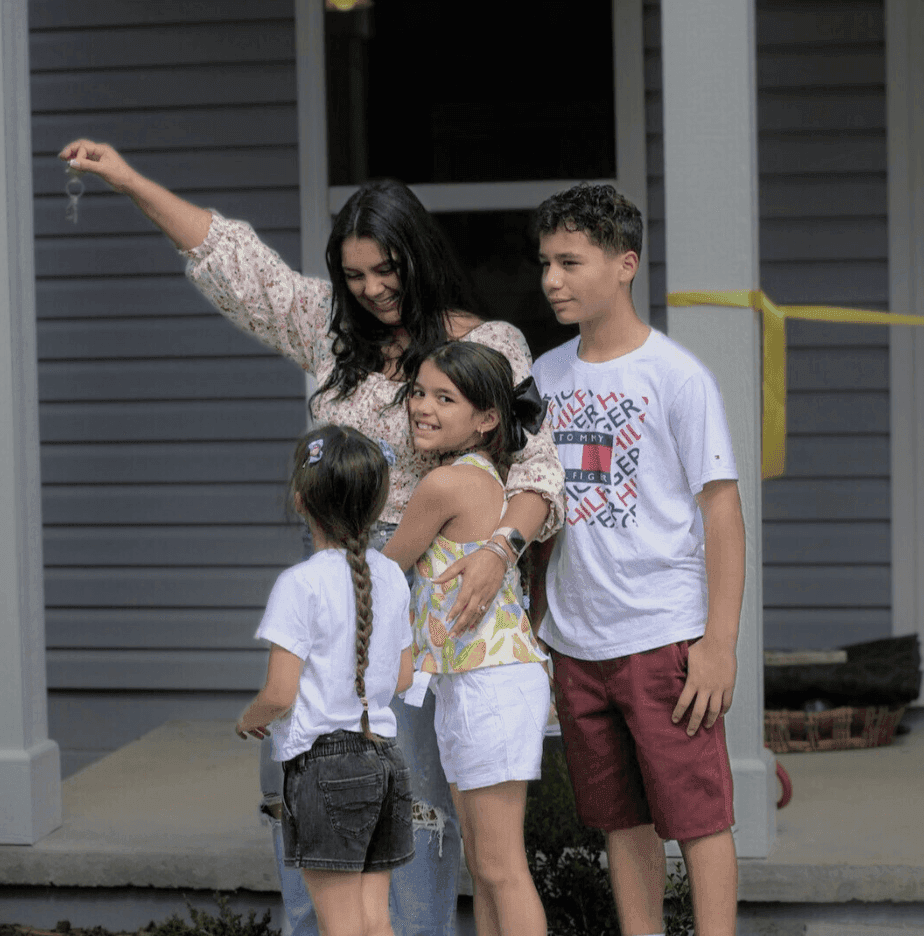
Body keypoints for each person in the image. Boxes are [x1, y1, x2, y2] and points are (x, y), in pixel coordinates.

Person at [59, 138, 565, 936]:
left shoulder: (486, 345)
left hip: (429, 586)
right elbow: (231, 258)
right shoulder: (330, 330)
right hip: (334, 574)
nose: (371, 290)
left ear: (419, 255)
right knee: (310, 785)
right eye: (355, 275)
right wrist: (125, 180)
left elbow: (537, 473)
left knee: (414, 797)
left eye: (385, 270)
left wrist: (500, 548)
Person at [528, 182, 744, 936]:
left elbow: (722, 511)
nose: (552, 278)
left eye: (570, 261)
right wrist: (535, 620)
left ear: (625, 264)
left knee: (699, 818)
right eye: (546, 262)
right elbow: (537, 505)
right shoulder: (545, 378)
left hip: (664, 639)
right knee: (621, 822)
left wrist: (717, 645)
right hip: (578, 642)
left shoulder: (675, 376)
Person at [379, 342, 552, 936]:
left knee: (500, 866)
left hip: (491, 683)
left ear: (486, 420)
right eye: (419, 393)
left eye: (443, 398)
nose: (423, 407)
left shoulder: (448, 485)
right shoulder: (475, 476)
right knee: (482, 863)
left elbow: (383, 569)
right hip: (469, 682)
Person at [236, 425, 417, 936]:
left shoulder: (300, 584)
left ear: (300, 500)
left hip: (324, 766)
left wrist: (249, 719)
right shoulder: (390, 576)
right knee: (374, 921)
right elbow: (402, 677)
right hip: (385, 761)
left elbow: (279, 692)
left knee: (337, 925)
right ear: (379, 502)